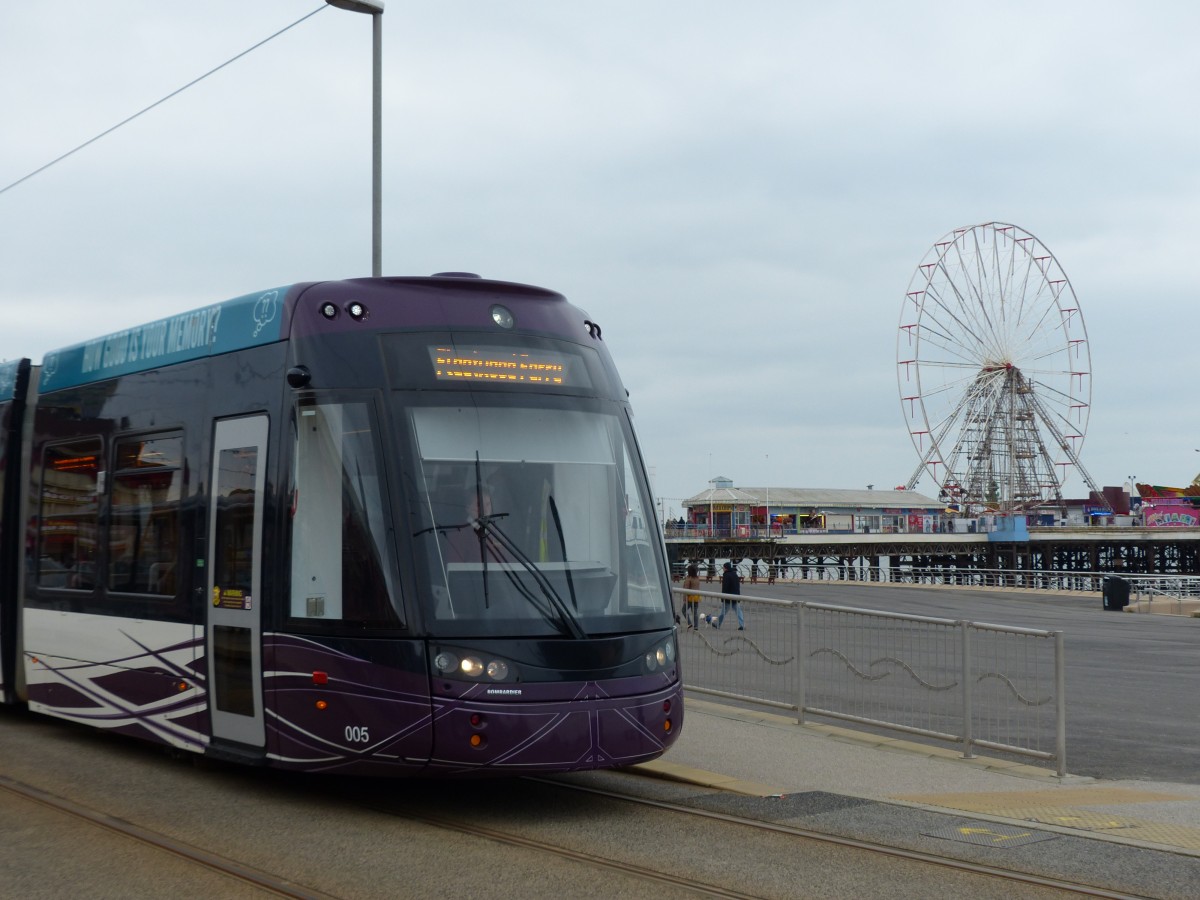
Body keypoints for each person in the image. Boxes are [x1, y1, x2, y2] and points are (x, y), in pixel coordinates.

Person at [718, 561, 744, 630]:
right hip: (735, 596)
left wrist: (723, 597)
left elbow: (725, 587)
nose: (723, 569)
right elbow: (737, 586)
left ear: (726, 568)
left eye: (723, 567)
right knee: (738, 612)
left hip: (728, 597)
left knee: (723, 612)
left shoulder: (726, 575)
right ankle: (742, 625)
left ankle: (718, 624)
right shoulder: (735, 574)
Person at [681, 564, 702, 629]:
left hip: (690, 597)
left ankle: (689, 623)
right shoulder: (697, 578)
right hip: (696, 597)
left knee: (683, 610)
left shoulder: (689, 578)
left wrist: (685, 598)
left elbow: (686, 589)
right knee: (695, 612)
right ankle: (696, 626)